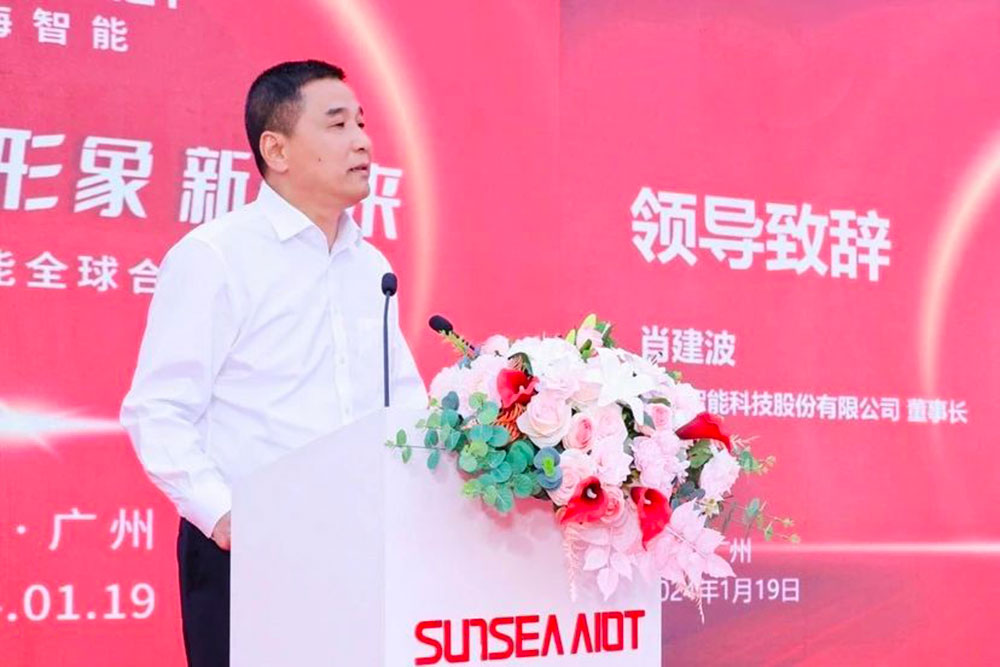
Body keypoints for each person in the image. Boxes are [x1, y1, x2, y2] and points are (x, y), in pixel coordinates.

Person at [120, 59, 426, 666]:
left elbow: (405, 402)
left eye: (362, 123)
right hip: (248, 550)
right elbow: (157, 409)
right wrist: (223, 515)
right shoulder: (216, 256)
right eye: (337, 125)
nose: (363, 141)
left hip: (360, 547)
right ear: (276, 149)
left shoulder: (370, 266)